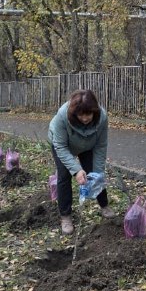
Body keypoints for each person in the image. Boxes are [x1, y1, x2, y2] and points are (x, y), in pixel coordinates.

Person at [48, 89, 116, 235]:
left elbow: (101, 146)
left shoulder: (102, 118)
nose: (85, 118)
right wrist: (76, 169)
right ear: (74, 113)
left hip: (88, 145)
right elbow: (60, 146)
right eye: (81, 115)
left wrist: (98, 172)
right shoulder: (62, 116)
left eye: (89, 114)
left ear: (94, 111)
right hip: (63, 145)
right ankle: (65, 216)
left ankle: (104, 205)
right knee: (64, 176)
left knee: (95, 173)